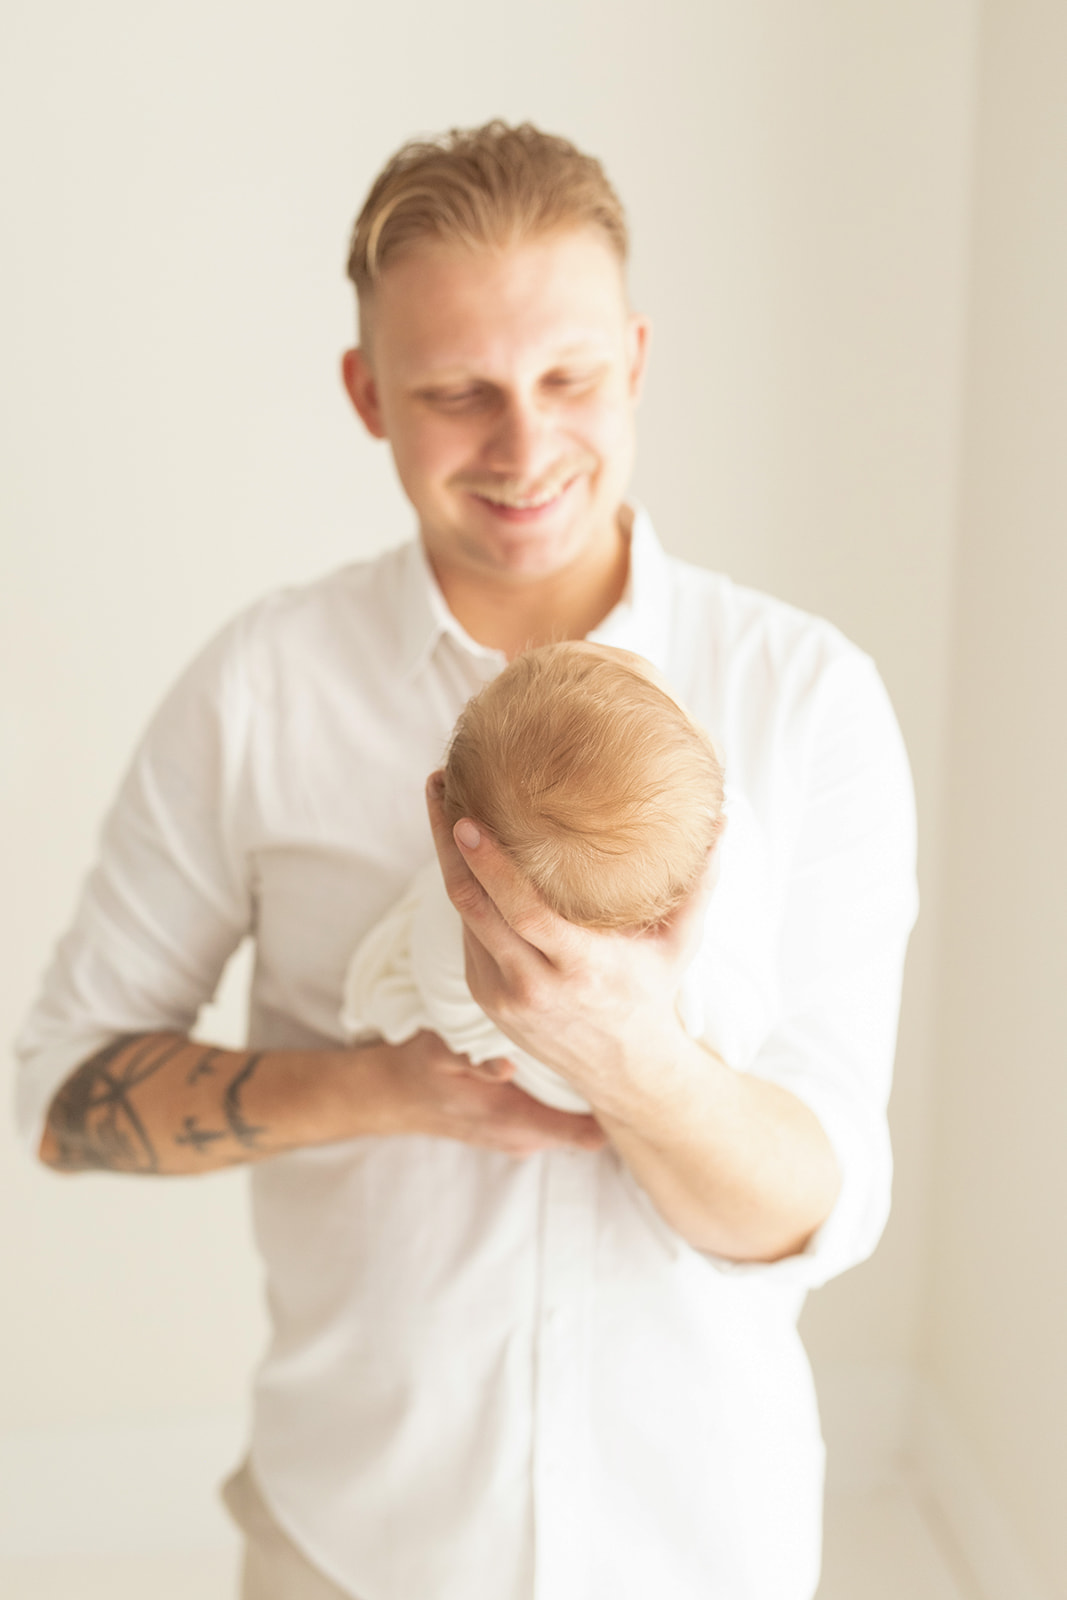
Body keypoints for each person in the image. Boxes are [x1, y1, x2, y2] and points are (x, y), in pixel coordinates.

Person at [14, 121, 918, 1600]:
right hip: (348, 1541)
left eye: (565, 378)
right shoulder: (261, 689)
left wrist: (626, 1055)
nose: (521, 447)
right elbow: (63, 1098)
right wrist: (391, 1087)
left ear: (634, 358)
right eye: (455, 393)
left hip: (695, 1545)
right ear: (368, 394)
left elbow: (811, 1208)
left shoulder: (800, 698)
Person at [341, 638, 774, 1116]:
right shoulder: (727, 835)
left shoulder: (457, 918)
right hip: (640, 1062)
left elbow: (455, 1017)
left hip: (531, 1072)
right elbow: (746, 1021)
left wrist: (487, 1048)